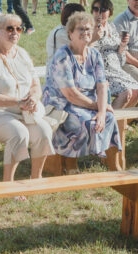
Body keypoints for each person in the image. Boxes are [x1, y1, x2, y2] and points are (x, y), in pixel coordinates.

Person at [0, 14, 53, 183]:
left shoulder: (22, 54)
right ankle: (9, 184)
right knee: (19, 133)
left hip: (18, 110)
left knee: (44, 130)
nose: (15, 32)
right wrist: (19, 102)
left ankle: (36, 178)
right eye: (10, 28)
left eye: (18, 28)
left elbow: (35, 85)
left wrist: (34, 99)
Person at [43, 11, 121, 164]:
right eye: (81, 29)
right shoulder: (62, 56)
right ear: (70, 33)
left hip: (88, 102)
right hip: (62, 104)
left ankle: (109, 161)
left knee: (109, 117)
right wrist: (98, 107)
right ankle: (72, 163)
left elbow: (101, 85)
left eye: (88, 29)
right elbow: (70, 94)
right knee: (86, 121)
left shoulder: (94, 54)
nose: (85, 32)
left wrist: (102, 110)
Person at [89, 0, 138, 108]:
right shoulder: (89, 28)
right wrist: (94, 38)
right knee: (126, 92)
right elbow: (83, 51)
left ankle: (121, 122)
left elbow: (120, 56)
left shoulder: (111, 27)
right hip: (100, 71)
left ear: (110, 12)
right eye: (96, 9)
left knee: (137, 91)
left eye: (103, 10)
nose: (99, 13)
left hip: (116, 69)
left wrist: (122, 44)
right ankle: (110, 121)